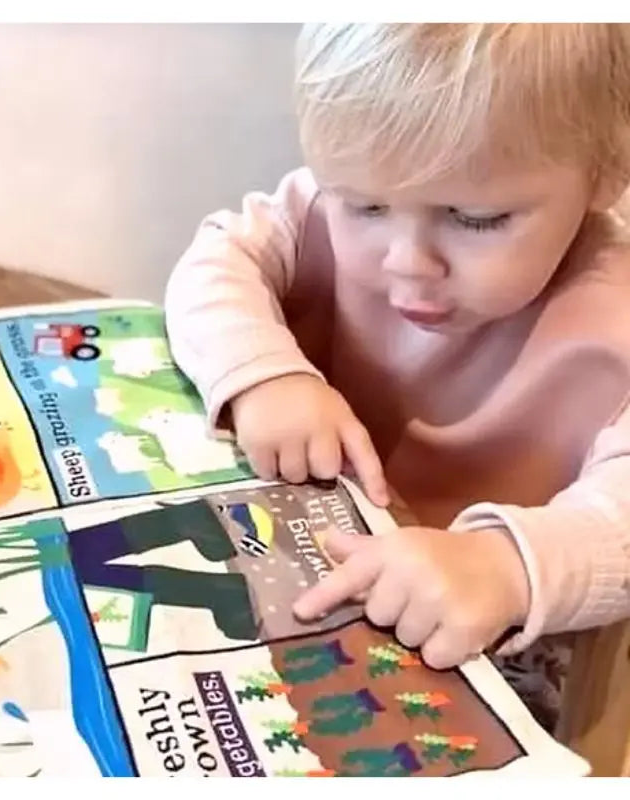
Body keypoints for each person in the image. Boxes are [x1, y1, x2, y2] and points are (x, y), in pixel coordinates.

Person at [163, 23, 630, 724]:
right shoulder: (315, 213)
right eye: (368, 207)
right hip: (294, 562)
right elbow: (217, 261)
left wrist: (505, 566)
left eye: (475, 219)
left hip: (485, 633)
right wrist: (264, 374)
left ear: (606, 172)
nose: (408, 260)